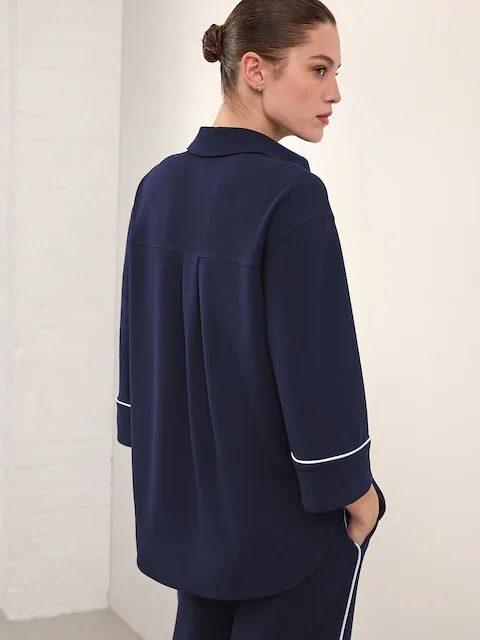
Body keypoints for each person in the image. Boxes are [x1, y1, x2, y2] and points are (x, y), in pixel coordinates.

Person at [116, 1, 387, 638]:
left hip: (189, 513)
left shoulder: (158, 187)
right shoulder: (292, 196)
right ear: (256, 70)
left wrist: (148, 443)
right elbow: (316, 364)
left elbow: (138, 348)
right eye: (319, 69)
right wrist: (355, 492)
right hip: (283, 527)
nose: (335, 93)